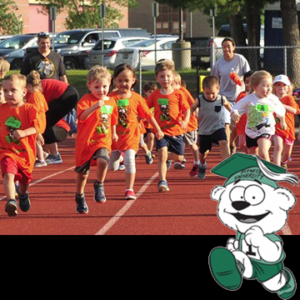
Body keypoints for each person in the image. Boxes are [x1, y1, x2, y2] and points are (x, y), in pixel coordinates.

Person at [108, 64, 164, 200]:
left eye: (127, 80)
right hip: (114, 138)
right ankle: (119, 157)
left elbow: (148, 116)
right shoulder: (111, 98)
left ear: (133, 80)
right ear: (114, 81)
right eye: (120, 80)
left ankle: (129, 189)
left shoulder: (137, 98)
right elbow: (104, 116)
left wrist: (157, 129)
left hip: (131, 136)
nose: (123, 84)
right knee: (112, 167)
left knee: (130, 160)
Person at [74, 66, 118, 214]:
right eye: (97, 87)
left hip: (102, 140)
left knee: (103, 160)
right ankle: (79, 195)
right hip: (86, 142)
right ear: (89, 86)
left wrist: (113, 133)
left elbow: (112, 119)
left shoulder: (111, 102)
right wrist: (94, 107)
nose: (101, 90)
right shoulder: (86, 100)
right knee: (83, 174)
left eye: (104, 86)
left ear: (110, 84)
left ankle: (99, 184)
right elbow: (81, 117)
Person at [0, 74, 44, 217]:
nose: (8, 94)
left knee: (25, 180)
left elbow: (36, 127)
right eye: (5, 91)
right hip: (7, 150)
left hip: (26, 154)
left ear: (24, 92)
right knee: (8, 173)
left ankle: (23, 194)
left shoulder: (29, 109)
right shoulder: (1, 109)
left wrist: (25, 132)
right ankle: (11, 201)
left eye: (13, 90)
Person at [147, 60, 190, 192]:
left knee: (179, 158)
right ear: (157, 78)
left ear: (173, 77)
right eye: (162, 76)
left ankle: (168, 157)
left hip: (176, 131)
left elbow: (187, 109)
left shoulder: (178, 94)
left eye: (168, 76)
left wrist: (185, 121)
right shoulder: (155, 95)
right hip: (161, 131)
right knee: (162, 155)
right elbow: (146, 109)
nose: (165, 79)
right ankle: (162, 181)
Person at [231, 70, 287, 162]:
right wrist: (235, 113)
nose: (269, 88)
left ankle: (268, 173)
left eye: (270, 86)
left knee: (263, 152)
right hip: (250, 131)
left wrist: (282, 120)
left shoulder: (272, 99)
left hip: (266, 130)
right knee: (254, 158)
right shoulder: (248, 99)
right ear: (255, 87)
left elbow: (281, 109)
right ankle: (258, 173)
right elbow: (236, 108)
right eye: (265, 86)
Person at [211, 37, 250, 154]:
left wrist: (240, 78)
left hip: (240, 98)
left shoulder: (240, 59)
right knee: (226, 123)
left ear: (233, 47)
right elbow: (214, 81)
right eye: (224, 47)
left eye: (228, 46)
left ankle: (231, 141)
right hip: (225, 98)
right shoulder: (218, 64)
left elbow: (247, 75)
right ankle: (227, 149)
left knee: (236, 125)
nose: (226, 49)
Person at [27, 78, 79, 164]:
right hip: (67, 93)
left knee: (42, 123)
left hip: (66, 95)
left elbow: (36, 116)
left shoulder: (31, 94)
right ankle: (48, 153)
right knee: (43, 123)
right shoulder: (34, 91)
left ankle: (54, 155)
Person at [190, 76, 231, 180]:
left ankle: (227, 167)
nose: (210, 96)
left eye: (213, 93)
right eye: (207, 93)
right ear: (203, 90)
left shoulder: (221, 99)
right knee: (203, 153)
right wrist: (188, 117)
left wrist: (234, 113)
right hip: (204, 131)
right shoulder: (200, 99)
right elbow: (192, 107)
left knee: (224, 142)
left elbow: (229, 106)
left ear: (218, 88)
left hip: (218, 127)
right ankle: (202, 165)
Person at [173, 73, 200, 178]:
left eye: (172, 84)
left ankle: (197, 162)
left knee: (192, 144)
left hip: (189, 124)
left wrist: (197, 114)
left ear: (178, 83)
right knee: (178, 142)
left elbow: (193, 104)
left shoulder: (183, 92)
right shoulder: (171, 93)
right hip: (178, 124)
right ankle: (179, 159)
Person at [272, 75, 299, 169]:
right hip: (276, 129)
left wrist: (281, 105)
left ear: (288, 88)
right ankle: (277, 167)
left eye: (284, 85)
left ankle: (283, 162)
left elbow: (295, 111)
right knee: (278, 147)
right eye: (278, 84)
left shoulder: (289, 98)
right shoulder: (271, 98)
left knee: (287, 153)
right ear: (274, 87)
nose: (281, 87)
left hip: (289, 130)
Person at [26, 71, 49, 167]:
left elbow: (33, 111)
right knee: (34, 139)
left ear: (30, 86)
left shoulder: (33, 96)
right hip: (42, 120)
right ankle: (42, 154)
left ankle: (41, 159)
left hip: (37, 121)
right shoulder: (40, 94)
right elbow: (45, 108)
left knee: (36, 140)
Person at [235, 70, 254, 154]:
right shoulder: (242, 95)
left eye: (251, 81)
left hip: (254, 126)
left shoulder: (259, 95)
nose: (249, 84)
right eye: (247, 82)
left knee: (253, 145)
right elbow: (236, 108)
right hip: (242, 125)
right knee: (242, 144)